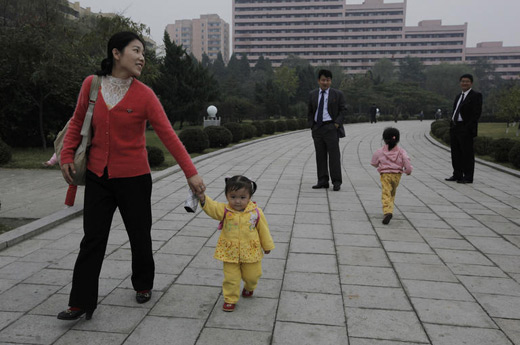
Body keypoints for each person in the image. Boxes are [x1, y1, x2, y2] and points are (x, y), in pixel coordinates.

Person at [57, 31, 205, 321]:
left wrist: (192, 174)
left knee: (139, 235)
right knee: (92, 239)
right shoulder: (92, 85)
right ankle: (80, 302)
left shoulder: (145, 95)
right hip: (99, 176)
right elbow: (77, 122)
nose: (141, 58)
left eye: (143, 54)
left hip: (135, 178)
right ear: (116, 53)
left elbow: (169, 136)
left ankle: (143, 283)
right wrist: (65, 156)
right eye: (136, 51)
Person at [196, 176, 274, 312]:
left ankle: (249, 287)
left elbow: (263, 230)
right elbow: (212, 208)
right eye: (233, 197)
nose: (237, 201)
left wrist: (267, 245)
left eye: (242, 197)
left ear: (249, 196)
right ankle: (230, 299)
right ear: (226, 196)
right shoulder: (225, 210)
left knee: (253, 275)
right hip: (229, 253)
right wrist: (203, 198)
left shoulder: (255, 213)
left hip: (251, 252)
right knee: (231, 278)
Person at [307, 69, 347, 191]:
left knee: (334, 156)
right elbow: (310, 111)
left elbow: (343, 110)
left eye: (328, 80)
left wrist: (336, 124)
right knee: (320, 155)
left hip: (331, 128)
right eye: (323, 80)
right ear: (319, 81)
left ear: (331, 81)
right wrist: (312, 125)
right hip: (317, 128)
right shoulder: (312, 94)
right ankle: (322, 180)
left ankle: (336, 181)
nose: (325, 82)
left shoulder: (337, 94)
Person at [445, 74, 482, 184]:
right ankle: (457, 174)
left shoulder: (476, 95)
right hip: (455, 127)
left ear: (471, 83)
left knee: (467, 154)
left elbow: (476, 114)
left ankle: (468, 177)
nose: (464, 83)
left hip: (465, 128)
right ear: (460, 83)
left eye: (467, 81)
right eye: (462, 81)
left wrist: (468, 128)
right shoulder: (458, 96)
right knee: (455, 153)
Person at [371, 127, 413, 225]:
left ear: (384, 139)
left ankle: (387, 211)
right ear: (397, 139)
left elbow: (374, 162)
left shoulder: (380, 151)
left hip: (385, 175)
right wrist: (408, 171)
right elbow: (406, 161)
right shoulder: (401, 152)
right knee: (392, 192)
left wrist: (379, 164)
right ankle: (390, 208)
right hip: (397, 176)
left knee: (386, 192)